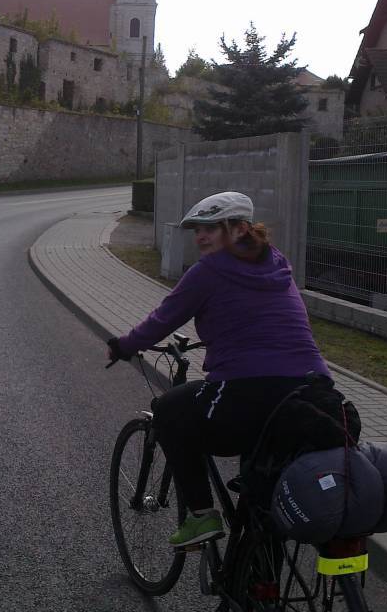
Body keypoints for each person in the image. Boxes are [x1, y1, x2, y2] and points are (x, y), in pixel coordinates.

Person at [107, 191, 331, 548]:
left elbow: (163, 319)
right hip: (314, 392)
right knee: (260, 495)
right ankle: (258, 571)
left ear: (240, 228)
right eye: (197, 229)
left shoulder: (209, 271)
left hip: (248, 392)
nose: (200, 237)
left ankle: (201, 516)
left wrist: (123, 346)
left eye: (211, 228)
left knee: (169, 410)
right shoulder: (276, 263)